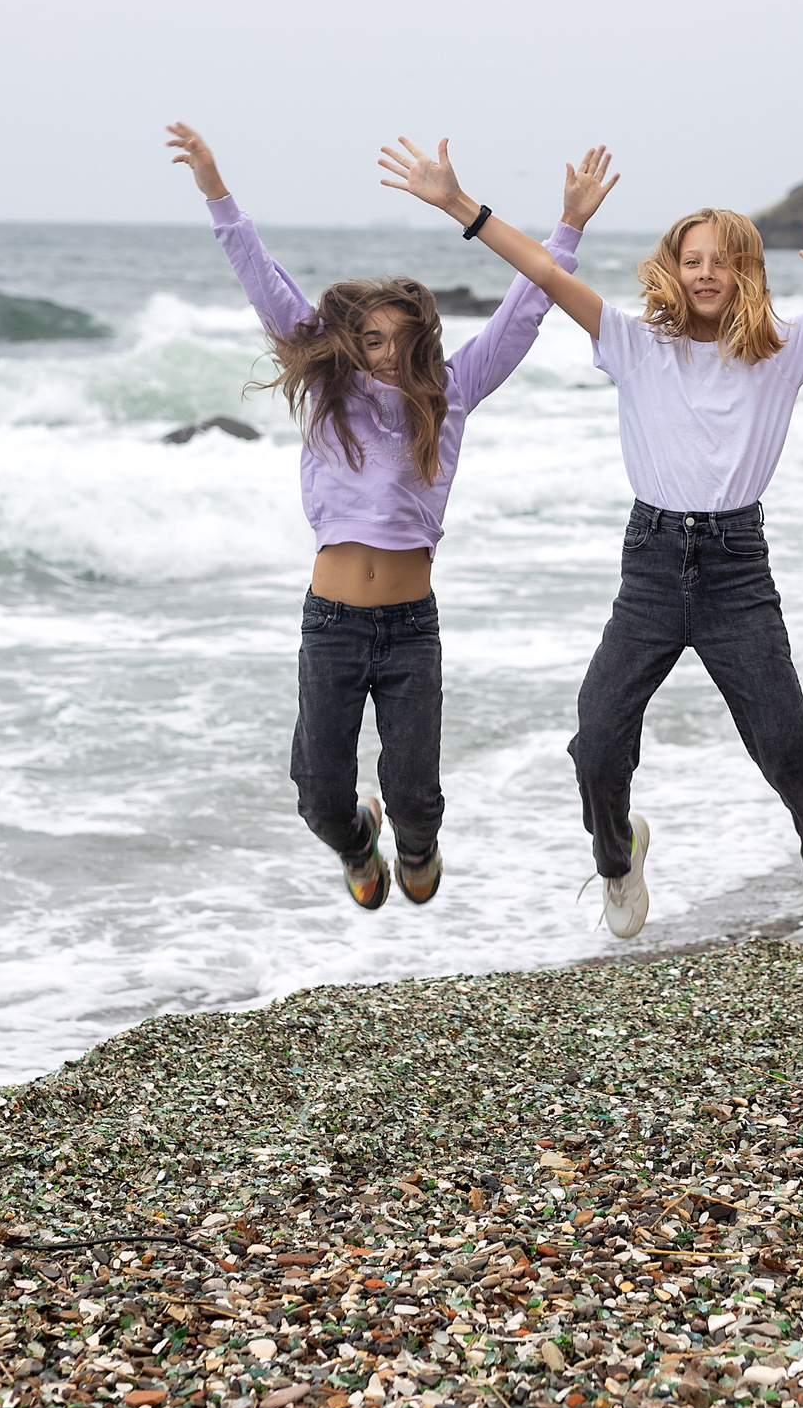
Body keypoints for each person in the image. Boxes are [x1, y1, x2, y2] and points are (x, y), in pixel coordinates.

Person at [377, 136, 803, 944]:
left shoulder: (784, 350)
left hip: (735, 568)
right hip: (652, 562)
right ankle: (618, 858)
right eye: (692, 258)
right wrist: (460, 203)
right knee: (597, 734)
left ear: (744, 275)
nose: (703, 273)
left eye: (721, 261)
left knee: (788, 749)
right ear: (673, 266)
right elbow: (549, 277)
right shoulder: (632, 342)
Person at [166, 122, 619, 909]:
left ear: (424, 343)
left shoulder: (451, 391)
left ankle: (412, 841)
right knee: (317, 794)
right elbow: (262, 281)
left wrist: (568, 225)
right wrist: (215, 187)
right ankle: (355, 841)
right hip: (332, 622)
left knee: (419, 798)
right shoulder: (327, 389)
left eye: (398, 340)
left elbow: (522, 311)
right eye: (369, 338)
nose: (382, 353)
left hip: (411, 625)